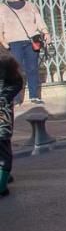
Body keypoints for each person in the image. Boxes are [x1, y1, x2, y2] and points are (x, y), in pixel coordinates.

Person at [1, 0, 50, 104]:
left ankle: (34, 96)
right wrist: (3, 41)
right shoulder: (3, 9)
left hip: (31, 42)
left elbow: (39, 21)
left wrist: (46, 32)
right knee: (16, 70)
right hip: (13, 43)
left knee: (32, 69)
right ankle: (16, 98)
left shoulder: (30, 6)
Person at [0, 47, 22, 198]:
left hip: (2, 116)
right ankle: (3, 178)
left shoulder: (6, 62)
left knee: (3, 147)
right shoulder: (7, 61)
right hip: (3, 114)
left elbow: (17, 82)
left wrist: (3, 99)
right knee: (3, 148)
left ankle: (2, 184)